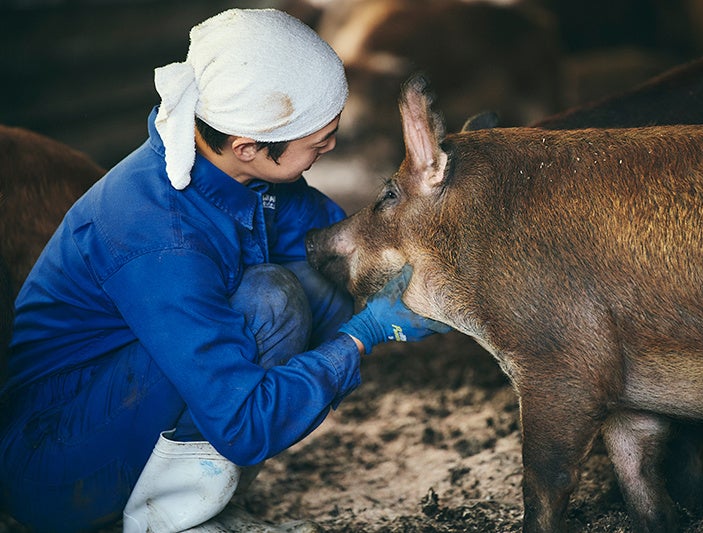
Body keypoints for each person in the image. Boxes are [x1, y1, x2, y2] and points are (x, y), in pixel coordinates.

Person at [0, 9, 449, 533]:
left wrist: (426, 251)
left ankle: (201, 488)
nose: (329, 144)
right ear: (249, 147)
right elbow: (243, 422)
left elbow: (336, 238)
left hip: (125, 396)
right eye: (317, 139)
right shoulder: (157, 235)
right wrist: (362, 336)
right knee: (270, 299)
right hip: (54, 463)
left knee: (320, 279)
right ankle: (168, 519)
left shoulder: (236, 171)